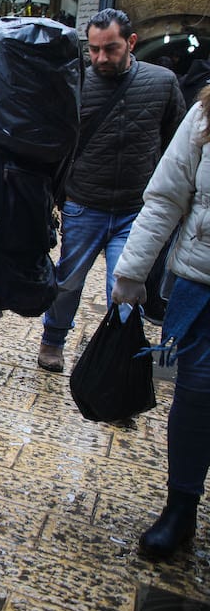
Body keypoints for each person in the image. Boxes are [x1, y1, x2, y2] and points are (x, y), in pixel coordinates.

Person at [35, 8, 184, 373]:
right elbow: (58, 141)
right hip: (84, 203)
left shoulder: (162, 83)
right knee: (68, 281)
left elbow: (175, 144)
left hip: (136, 208)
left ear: (131, 43)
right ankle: (52, 339)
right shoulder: (77, 83)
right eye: (94, 49)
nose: (100, 57)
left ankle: (117, 357)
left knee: (124, 288)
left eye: (111, 49)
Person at [110, 84, 210, 561]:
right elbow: (167, 198)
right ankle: (182, 507)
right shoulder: (205, 115)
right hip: (204, 283)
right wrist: (130, 272)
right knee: (196, 395)